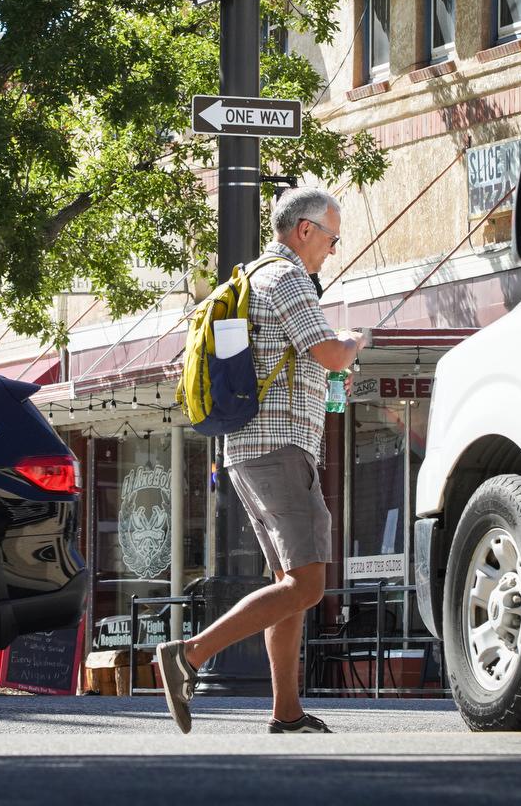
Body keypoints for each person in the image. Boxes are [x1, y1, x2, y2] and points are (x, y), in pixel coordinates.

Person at [158, 188, 366, 734]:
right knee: (308, 584)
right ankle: (190, 656)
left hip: (248, 448)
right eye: (331, 237)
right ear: (304, 230)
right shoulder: (289, 278)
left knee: (288, 583)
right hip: (279, 448)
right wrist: (352, 341)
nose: (332, 249)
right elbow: (328, 352)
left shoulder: (250, 279)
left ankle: (287, 712)